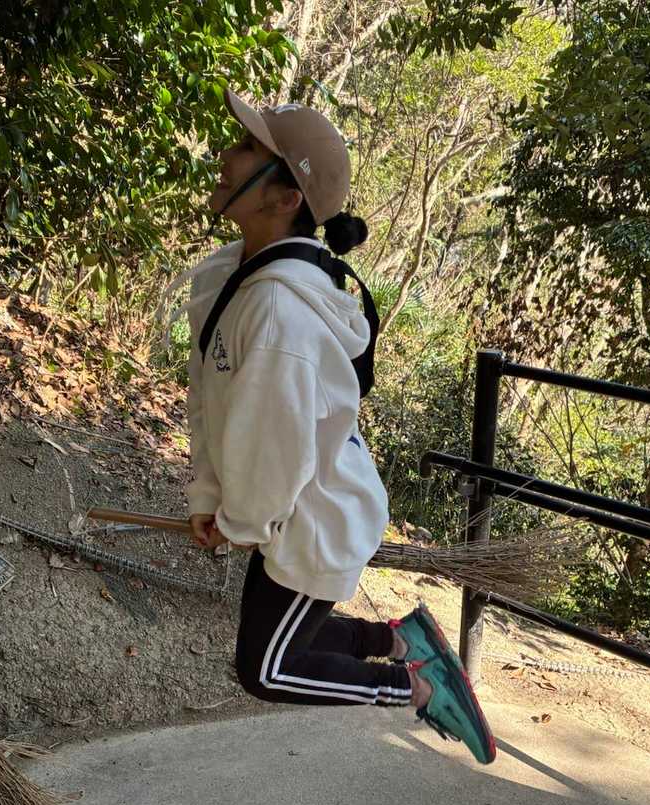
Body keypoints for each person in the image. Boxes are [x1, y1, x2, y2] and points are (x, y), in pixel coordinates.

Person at [175, 89, 494, 765]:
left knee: (266, 669)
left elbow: (275, 448)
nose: (226, 157)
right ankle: (403, 642)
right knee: (280, 646)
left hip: (316, 517)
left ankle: (414, 685)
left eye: (247, 150)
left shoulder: (280, 314)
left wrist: (240, 521)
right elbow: (210, 400)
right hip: (289, 508)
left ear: (285, 196)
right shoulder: (230, 276)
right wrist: (210, 499)